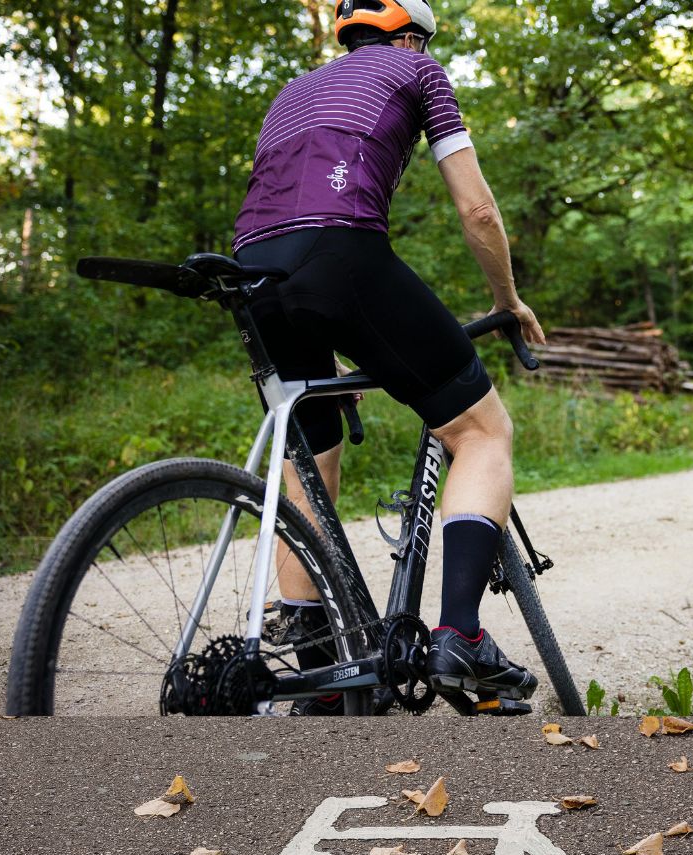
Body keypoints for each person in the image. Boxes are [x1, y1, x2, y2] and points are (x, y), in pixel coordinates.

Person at [233, 0, 543, 712]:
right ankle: (459, 637)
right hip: (339, 254)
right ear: (409, 35)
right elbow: (478, 210)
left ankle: (319, 677)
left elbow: (286, 209)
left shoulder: (293, 92)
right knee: (480, 432)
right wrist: (509, 298)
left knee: (308, 458)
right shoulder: (418, 68)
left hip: (253, 272)